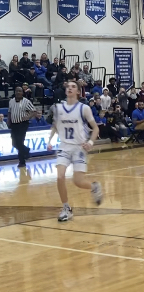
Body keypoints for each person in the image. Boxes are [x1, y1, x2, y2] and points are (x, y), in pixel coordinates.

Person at [47, 81, 102, 222]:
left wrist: (90, 142)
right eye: (68, 86)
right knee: (60, 177)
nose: (70, 88)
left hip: (79, 147)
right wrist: (49, 141)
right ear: (65, 90)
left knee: (78, 181)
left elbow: (95, 128)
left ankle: (94, 186)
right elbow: (55, 126)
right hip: (64, 146)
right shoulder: (58, 108)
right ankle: (66, 208)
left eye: (73, 87)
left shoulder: (84, 108)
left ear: (78, 91)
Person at [8, 86, 36, 168]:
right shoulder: (11, 101)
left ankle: (22, 162)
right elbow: (9, 112)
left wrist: (28, 116)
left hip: (22, 124)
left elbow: (34, 111)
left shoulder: (26, 101)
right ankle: (26, 150)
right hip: (14, 124)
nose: (18, 92)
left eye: (20, 91)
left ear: (22, 93)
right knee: (14, 143)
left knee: (20, 142)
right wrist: (8, 120)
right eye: (17, 91)